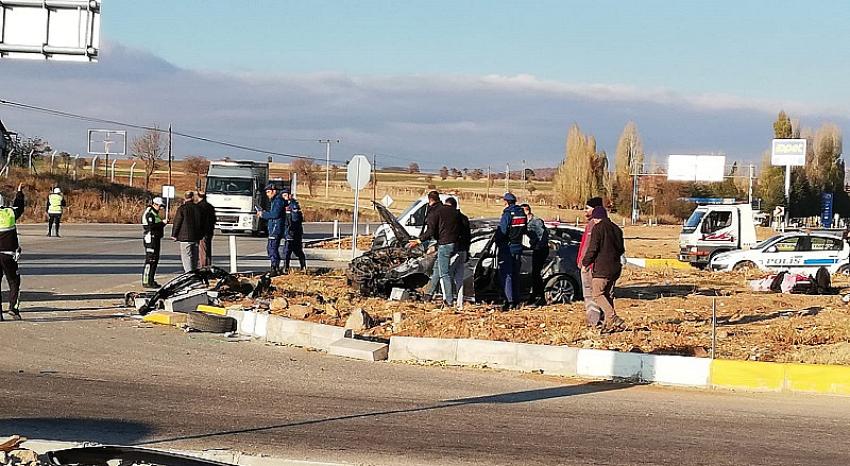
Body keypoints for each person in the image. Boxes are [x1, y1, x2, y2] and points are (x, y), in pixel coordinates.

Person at [581, 205, 626, 331]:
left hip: (602, 268)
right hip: (615, 268)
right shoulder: (617, 229)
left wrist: (585, 264)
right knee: (607, 295)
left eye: (594, 218)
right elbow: (621, 249)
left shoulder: (598, 228)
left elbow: (593, 249)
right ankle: (608, 325)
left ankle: (612, 317)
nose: (593, 221)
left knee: (597, 293)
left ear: (597, 218)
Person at [410, 191, 445, 299]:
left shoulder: (434, 212)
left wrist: (419, 241)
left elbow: (431, 231)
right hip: (442, 241)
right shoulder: (443, 209)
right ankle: (436, 290)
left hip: (437, 241)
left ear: (430, 200)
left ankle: (431, 292)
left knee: (431, 266)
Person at [495, 192, 527, 311]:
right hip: (518, 246)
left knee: (506, 275)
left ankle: (509, 301)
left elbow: (502, 231)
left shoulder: (507, 214)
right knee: (515, 274)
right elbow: (524, 229)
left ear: (506, 202)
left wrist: (497, 241)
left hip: (507, 248)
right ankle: (517, 299)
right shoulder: (521, 213)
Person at [0, 184, 25, 320]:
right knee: (14, 281)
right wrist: (19, 193)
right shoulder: (9, 213)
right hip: (8, 255)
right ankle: (13, 309)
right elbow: (19, 207)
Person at [578, 197, 604, 325]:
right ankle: (601, 318)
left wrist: (585, 264)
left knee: (589, 294)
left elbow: (590, 247)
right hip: (592, 265)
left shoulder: (594, 225)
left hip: (590, 266)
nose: (585, 211)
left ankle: (593, 320)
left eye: (587, 208)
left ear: (595, 209)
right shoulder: (594, 224)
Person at [445, 197, 470, 309]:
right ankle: (459, 303)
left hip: (454, 251)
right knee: (459, 279)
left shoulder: (453, 219)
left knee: (446, 276)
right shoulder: (464, 218)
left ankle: (448, 300)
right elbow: (469, 236)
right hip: (463, 250)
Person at [522, 203, 549, 305]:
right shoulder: (527, 223)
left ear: (527, 211)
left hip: (540, 250)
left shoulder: (536, 221)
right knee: (535, 274)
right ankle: (535, 296)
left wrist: (538, 246)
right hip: (536, 248)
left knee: (536, 274)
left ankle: (540, 297)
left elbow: (543, 235)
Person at [256, 183, 285, 273]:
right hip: (274, 227)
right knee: (271, 248)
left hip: (276, 228)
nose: (267, 194)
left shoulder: (278, 201)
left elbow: (275, 214)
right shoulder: (275, 201)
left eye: (268, 192)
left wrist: (263, 214)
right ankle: (275, 266)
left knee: (272, 248)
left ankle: (274, 267)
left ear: (274, 191)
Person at [171, 191, 203, 273]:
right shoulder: (198, 208)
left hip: (185, 237)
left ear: (185, 198)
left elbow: (177, 222)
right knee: (195, 257)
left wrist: (174, 234)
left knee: (187, 257)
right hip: (196, 237)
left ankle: (189, 274)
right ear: (193, 197)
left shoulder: (182, 208)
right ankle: (195, 273)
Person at [142, 197, 166, 289]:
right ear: (155, 204)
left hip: (156, 238)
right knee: (150, 260)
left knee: (155, 260)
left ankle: (151, 280)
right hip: (150, 239)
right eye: (160, 206)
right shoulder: (149, 213)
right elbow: (151, 226)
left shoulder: (154, 213)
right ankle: (146, 281)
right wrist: (162, 224)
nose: (160, 208)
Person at [281, 190, 307, 272]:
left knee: (294, 250)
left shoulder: (293, 205)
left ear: (289, 196)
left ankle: (302, 267)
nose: (284, 197)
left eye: (286, 195)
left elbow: (295, 219)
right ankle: (286, 267)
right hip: (289, 231)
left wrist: (291, 229)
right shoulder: (284, 205)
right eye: (283, 195)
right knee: (287, 251)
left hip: (294, 231)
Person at [195, 192, 217, 268]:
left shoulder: (198, 207)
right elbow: (214, 219)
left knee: (202, 250)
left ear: (198, 196)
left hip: (202, 231)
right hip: (209, 230)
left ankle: (204, 266)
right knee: (208, 248)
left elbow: (198, 220)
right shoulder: (210, 206)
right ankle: (208, 264)